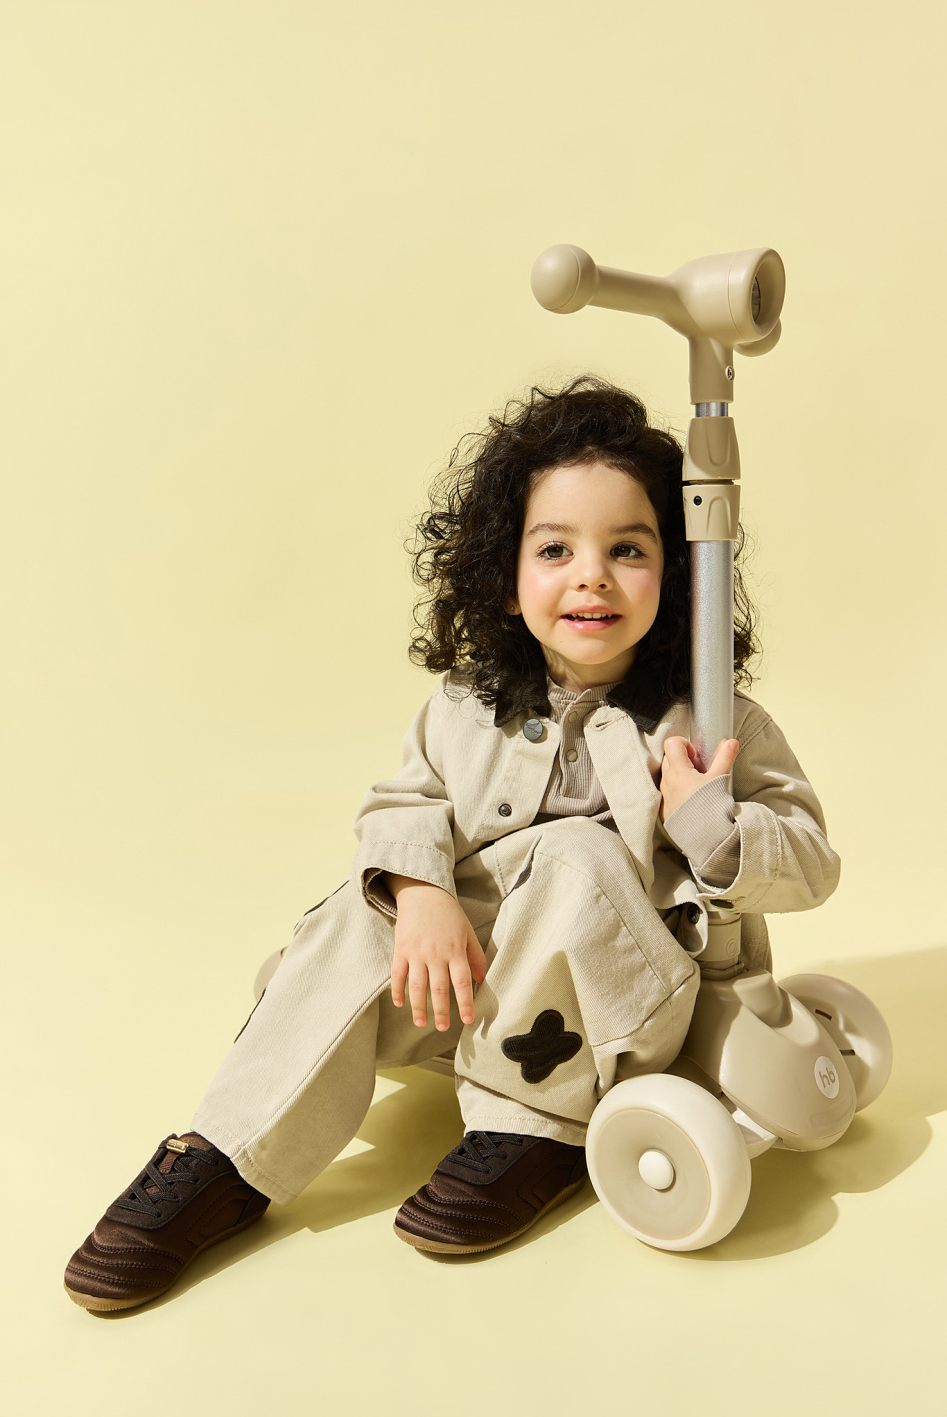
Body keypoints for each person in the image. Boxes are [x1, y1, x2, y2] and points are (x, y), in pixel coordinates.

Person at [64, 377, 840, 1311]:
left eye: (627, 550)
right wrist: (421, 892)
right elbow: (402, 801)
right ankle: (228, 1154)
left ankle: (530, 1131)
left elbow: (809, 860)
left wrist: (709, 821)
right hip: (465, 991)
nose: (590, 575)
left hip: (613, 1015)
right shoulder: (466, 706)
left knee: (575, 853)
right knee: (358, 912)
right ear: (505, 581)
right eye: (554, 549)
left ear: (672, 578)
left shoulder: (711, 722)